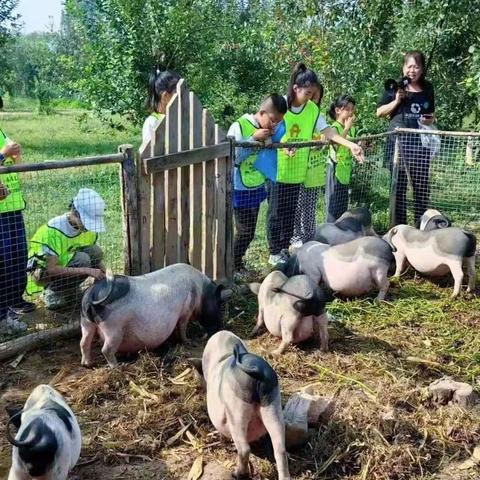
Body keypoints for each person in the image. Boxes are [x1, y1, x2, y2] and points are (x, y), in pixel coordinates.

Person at [267, 63, 364, 264]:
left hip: (298, 171)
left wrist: (350, 145)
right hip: (277, 169)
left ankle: (284, 250)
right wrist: (281, 146)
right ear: (296, 88)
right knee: (276, 213)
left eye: (313, 94)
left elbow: (329, 132)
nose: (311, 97)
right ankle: (274, 252)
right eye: (308, 93)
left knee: (290, 212)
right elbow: (266, 129)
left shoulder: (312, 110)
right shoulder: (281, 104)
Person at [227, 94, 287, 278]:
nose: (274, 125)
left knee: (250, 230)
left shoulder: (267, 131)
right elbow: (233, 157)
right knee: (244, 231)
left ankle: (237, 263)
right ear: (262, 113)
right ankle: (232, 266)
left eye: (278, 122)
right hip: (239, 187)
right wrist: (253, 139)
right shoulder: (240, 126)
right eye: (273, 120)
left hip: (255, 185)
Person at [376, 50, 435, 225]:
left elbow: (431, 113)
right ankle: (398, 228)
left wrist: (430, 118)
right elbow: (379, 112)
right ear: (403, 68)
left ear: (422, 69)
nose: (412, 70)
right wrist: (396, 100)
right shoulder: (394, 87)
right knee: (398, 188)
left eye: (416, 66)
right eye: (409, 66)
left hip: (420, 146)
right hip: (398, 145)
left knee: (421, 188)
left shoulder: (428, 88)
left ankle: (421, 226)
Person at [26, 188, 106, 310]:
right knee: (83, 259)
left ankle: (70, 289)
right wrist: (88, 270)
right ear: (75, 213)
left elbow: (95, 257)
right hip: (42, 272)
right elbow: (50, 269)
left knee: (96, 252)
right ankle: (52, 293)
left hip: (68, 259)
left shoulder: (87, 231)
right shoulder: (53, 232)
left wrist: (106, 274)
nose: (88, 226)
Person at [0, 122, 36, 333]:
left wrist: (14, 157)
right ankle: (2, 317)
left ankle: (13, 301)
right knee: (3, 262)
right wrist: (3, 154)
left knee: (17, 257)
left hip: (12, 206)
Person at [291, 83, 328, 246]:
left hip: (314, 173)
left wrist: (319, 143)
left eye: (316, 96)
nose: (313, 99)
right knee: (296, 206)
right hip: (297, 169)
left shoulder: (317, 115)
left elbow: (324, 137)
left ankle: (310, 237)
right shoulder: (297, 114)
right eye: (311, 95)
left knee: (309, 208)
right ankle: (296, 237)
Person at [325, 94, 358, 222]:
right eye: (347, 109)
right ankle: (329, 236)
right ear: (338, 110)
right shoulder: (334, 127)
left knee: (342, 208)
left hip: (345, 171)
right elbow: (337, 145)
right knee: (333, 208)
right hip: (335, 171)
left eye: (352, 109)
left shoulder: (352, 129)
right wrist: (346, 128)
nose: (350, 112)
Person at [142, 69, 181, 145]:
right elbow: (148, 154)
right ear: (165, 96)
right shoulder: (152, 123)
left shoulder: (179, 118)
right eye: (179, 95)